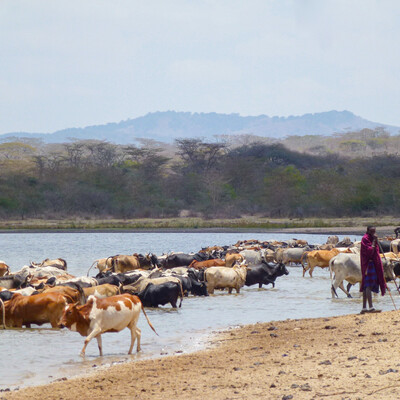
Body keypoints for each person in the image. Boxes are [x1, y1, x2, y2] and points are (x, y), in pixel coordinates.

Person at [359, 226, 386, 314]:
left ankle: (364, 308)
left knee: (367, 286)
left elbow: (376, 251)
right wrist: (374, 241)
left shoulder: (371, 238)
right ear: (368, 231)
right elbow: (369, 251)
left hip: (373, 264)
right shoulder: (365, 239)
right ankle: (370, 308)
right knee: (368, 285)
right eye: (372, 231)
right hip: (368, 264)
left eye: (374, 231)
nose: (374, 233)